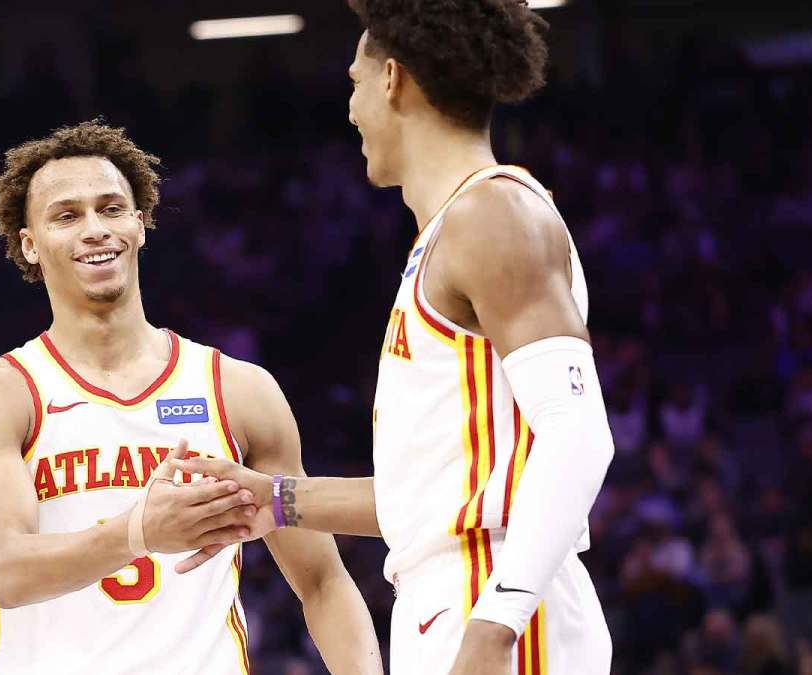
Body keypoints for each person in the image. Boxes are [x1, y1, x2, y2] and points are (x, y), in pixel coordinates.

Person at [172, 1, 614, 673]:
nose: (349, 109)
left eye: (354, 81)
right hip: (452, 598)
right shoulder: (449, 234)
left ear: (393, 80)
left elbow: (579, 435)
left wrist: (493, 627)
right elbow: (440, 496)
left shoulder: (494, 213)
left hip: (497, 604)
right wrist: (276, 500)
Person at [0, 122, 381, 674]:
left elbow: (321, 580)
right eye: (67, 215)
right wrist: (140, 533)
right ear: (29, 244)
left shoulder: (237, 389)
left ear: (140, 224)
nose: (95, 229)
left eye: (111, 209)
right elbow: (7, 571)